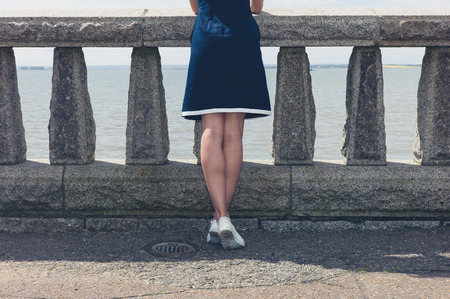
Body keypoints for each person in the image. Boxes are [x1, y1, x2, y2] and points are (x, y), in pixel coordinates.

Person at [182, 0, 271, 249]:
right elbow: (256, 7)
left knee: (211, 130)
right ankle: (222, 218)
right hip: (240, 38)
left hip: (207, 36)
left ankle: (220, 217)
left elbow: (196, 8)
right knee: (233, 134)